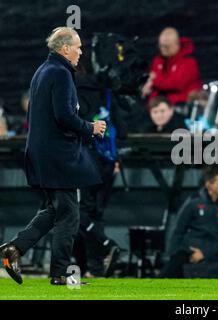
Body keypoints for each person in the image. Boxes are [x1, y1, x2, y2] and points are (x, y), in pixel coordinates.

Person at [0, 27, 106, 285]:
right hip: (57, 157)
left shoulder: (43, 71)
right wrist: (90, 127)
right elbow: (64, 115)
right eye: (78, 47)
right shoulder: (60, 73)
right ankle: (59, 274)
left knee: (54, 211)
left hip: (43, 154)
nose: (81, 52)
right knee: (70, 216)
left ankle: (13, 250)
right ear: (65, 48)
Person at [160, 165, 218, 278]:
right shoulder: (193, 203)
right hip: (189, 251)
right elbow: (178, 231)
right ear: (209, 185)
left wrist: (204, 253)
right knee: (166, 275)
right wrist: (173, 254)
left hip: (217, 252)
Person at [140, 27, 202, 107]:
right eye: (161, 46)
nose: (163, 49)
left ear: (176, 44)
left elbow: (177, 84)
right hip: (158, 105)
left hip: (181, 106)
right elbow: (151, 79)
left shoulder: (188, 62)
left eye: (166, 47)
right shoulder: (158, 60)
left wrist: (153, 80)